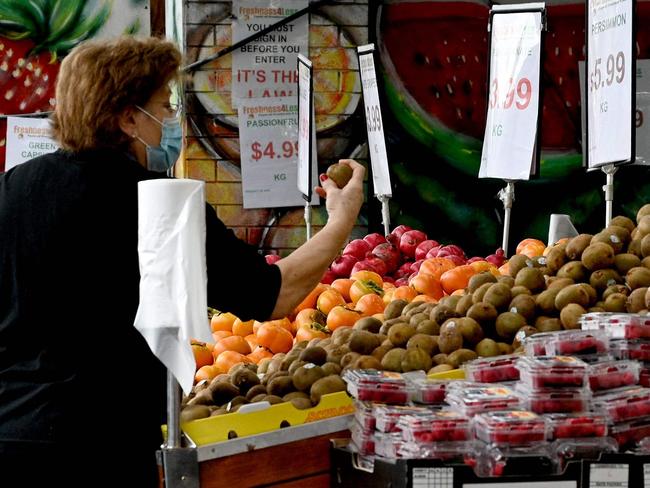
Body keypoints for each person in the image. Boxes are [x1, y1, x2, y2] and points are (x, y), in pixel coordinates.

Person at [0, 36, 364, 487]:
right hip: (101, 446)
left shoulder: (11, 187)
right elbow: (273, 294)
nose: (172, 121)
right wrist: (341, 220)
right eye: (165, 106)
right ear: (129, 117)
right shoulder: (164, 203)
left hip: (12, 436)